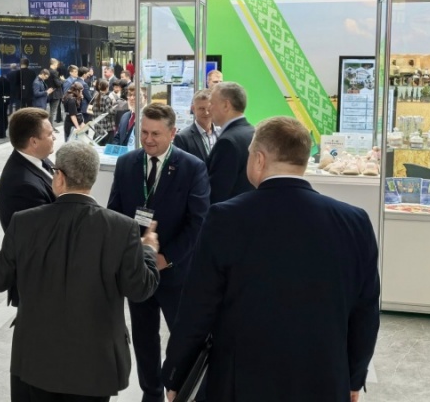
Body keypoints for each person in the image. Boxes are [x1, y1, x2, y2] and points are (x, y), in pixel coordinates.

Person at [162, 117, 380, 402]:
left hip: (241, 381)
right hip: (323, 377)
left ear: (259, 159)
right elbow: (365, 311)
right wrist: (354, 378)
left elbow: (198, 307)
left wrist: (176, 375)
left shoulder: (226, 218)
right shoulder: (354, 222)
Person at [0, 141, 161, 402]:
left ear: (59, 177)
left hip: (35, 362)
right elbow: (140, 288)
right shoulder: (122, 228)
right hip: (96, 366)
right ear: (92, 177)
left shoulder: (24, 222)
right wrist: (148, 250)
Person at [108, 103, 210, 402]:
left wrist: (165, 258)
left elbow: (198, 222)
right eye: (143, 132)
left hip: (175, 272)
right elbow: (115, 213)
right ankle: (150, 393)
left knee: (181, 337)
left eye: (155, 134)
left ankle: (177, 390)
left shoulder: (192, 167)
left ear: (172, 133)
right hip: (138, 269)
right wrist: (129, 256)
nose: (148, 139)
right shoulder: (127, 163)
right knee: (143, 337)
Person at [0, 108, 56, 237]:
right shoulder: (24, 186)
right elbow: (45, 235)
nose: (54, 137)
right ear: (34, 142)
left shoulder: (41, 159)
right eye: (50, 134)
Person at [207, 82, 255, 203]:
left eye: (212, 103)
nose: (208, 108)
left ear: (226, 105)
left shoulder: (227, 142)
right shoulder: (253, 133)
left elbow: (217, 193)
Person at [173, 89, 219, 163]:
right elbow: (181, 166)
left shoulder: (222, 133)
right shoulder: (182, 138)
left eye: (209, 109)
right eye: (201, 109)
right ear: (193, 109)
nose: (206, 113)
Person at [90, 78, 115, 144]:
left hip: (98, 127)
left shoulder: (95, 97)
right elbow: (110, 113)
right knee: (107, 147)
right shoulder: (107, 98)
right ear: (106, 88)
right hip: (107, 128)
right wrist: (114, 108)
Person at [47, 58, 64, 127]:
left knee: (51, 111)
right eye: (56, 64)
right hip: (56, 94)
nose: (57, 66)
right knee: (53, 111)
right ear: (53, 64)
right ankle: (51, 126)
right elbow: (58, 84)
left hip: (50, 93)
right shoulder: (54, 72)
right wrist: (62, 80)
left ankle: (50, 125)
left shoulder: (48, 71)